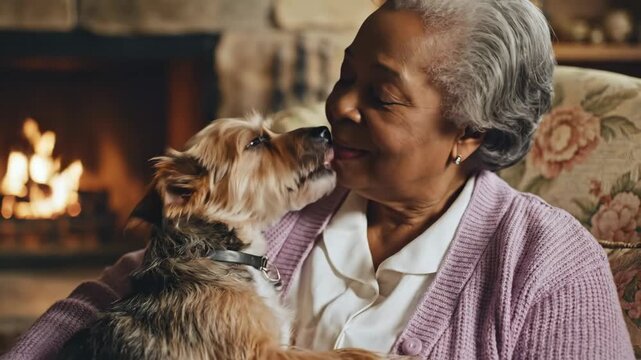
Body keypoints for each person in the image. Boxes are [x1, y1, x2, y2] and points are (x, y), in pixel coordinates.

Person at [3, 0, 635, 359]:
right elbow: (105, 302)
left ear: (470, 134)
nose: (340, 108)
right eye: (344, 77)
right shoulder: (283, 199)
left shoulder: (547, 263)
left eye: (381, 96)